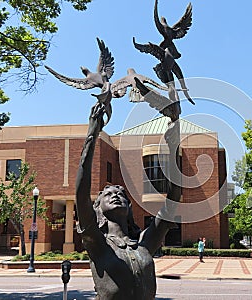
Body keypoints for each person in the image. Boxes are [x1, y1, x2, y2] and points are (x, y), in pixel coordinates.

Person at [76, 101, 178, 300]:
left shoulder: (144, 243)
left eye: (121, 194)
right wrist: (92, 136)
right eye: (108, 194)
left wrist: (174, 145)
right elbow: (80, 193)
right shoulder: (99, 244)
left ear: (130, 208)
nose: (115, 195)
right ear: (98, 209)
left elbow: (173, 200)